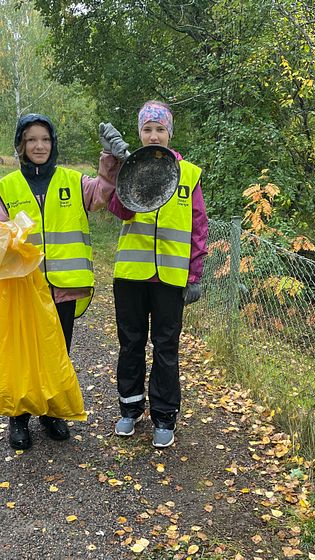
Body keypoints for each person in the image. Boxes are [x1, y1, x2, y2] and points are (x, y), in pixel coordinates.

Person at [0, 113, 129, 450]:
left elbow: (102, 194)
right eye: (32, 139)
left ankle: (51, 413)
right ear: (21, 145)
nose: (39, 145)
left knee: (58, 353)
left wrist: (110, 159)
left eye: (45, 139)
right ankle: (19, 417)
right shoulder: (6, 187)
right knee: (24, 353)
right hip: (25, 289)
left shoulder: (73, 181)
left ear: (53, 144)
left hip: (64, 287)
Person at [108, 101, 208, 448]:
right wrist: (120, 165)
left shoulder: (189, 174)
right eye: (147, 129)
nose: (154, 135)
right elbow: (119, 209)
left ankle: (165, 416)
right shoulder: (132, 166)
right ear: (140, 133)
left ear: (169, 133)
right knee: (131, 343)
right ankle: (129, 409)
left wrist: (195, 275)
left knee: (166, 347)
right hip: (132, 275)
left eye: (159, 129)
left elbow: (198, 227)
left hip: (170, 276)